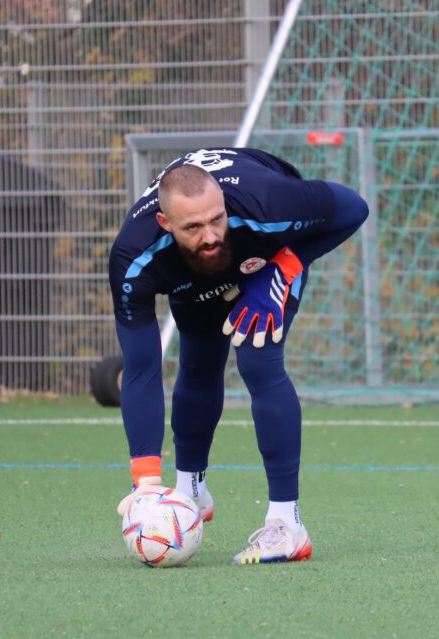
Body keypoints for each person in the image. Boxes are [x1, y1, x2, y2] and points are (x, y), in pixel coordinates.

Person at [108, 147, 369, 564]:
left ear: (224, 206)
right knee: (198, 360)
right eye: (193, 227)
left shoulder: (268, 202)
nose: (210, 235)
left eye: (216, 219)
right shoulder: (132, 258)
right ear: (165, 223)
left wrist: (283, 267)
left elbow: (354, 208)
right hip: (191, 275)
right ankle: (190, 492)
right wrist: (146, 482)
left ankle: (287, 526)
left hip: (269, 253)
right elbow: (141, 370)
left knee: (257, 357)